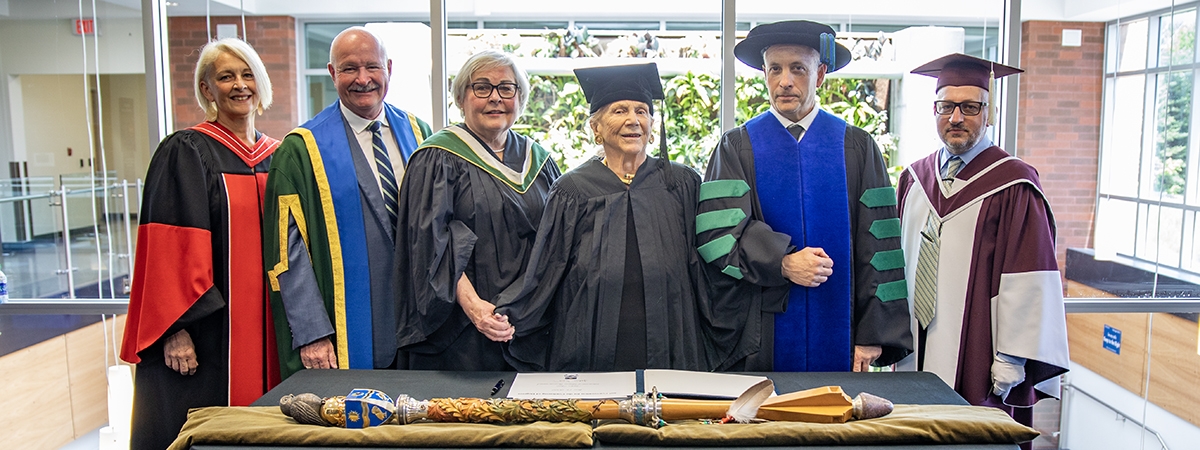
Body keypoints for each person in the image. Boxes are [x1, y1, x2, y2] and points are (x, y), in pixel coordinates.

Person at [696, 20, 912, 372]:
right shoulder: (736, 146)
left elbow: (879, 247)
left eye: (798, 68)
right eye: (775, 69)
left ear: (820, 74)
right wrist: (780, 261)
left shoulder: (856, 147)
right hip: (760, 336)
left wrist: (872, 334)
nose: (785, 81)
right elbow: (717, 236)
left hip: (844, 337)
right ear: (764, 74)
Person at [493, 63, 711, 371]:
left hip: (672, 332)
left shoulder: (681, 183)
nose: (633, 120)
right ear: (596, 128)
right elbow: (548, 266)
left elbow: (704, 264)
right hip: (591, 337)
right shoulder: (572, 190)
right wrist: (509, 312)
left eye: (641, 111)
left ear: (652, 124)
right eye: (620, 111)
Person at [897, 53, 1069, 441]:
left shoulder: (1014, 185)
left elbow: (1030, 277)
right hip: (912, 349)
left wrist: (1012, 357)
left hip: (980, 355)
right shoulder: (913, 179)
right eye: (946, 107)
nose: (956, 117)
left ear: (989, 113)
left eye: (970, 107)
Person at [120, 38, 280, 450]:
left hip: (271, 332)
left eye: (247, 75)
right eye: (226, 77)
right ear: (207, 89)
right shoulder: (186, 151)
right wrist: (174, 330)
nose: (239, 85)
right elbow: (166, 251)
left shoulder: (278, 157)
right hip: (208, 337)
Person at [264, 27, 431, 379]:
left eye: (372, 67)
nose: (363, 79)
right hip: (349, 328)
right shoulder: (302, 149)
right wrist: (312, 333)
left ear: (388, 68)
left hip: (421, 327)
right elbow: (288, 253)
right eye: (349, 68)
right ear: (332, 72)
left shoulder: (419, 133)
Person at [394, 50, 560, 370]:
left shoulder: (540, 161)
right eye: (482, 87)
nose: (495, 98)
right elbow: (429, 247)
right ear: (461, 98)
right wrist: (476, 309)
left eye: (506, 88)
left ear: (520, 98)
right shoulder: (437, 158)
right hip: (463, 333)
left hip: (530, 328)